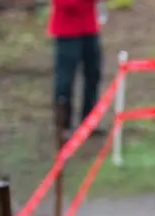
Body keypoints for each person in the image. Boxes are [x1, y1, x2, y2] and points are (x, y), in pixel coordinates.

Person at [49, 0, 104, 138]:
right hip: (67, 30)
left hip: (89, 27)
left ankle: (89, 121)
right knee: (65, 81)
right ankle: (63, 125)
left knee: (93, 75)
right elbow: (66, 4)